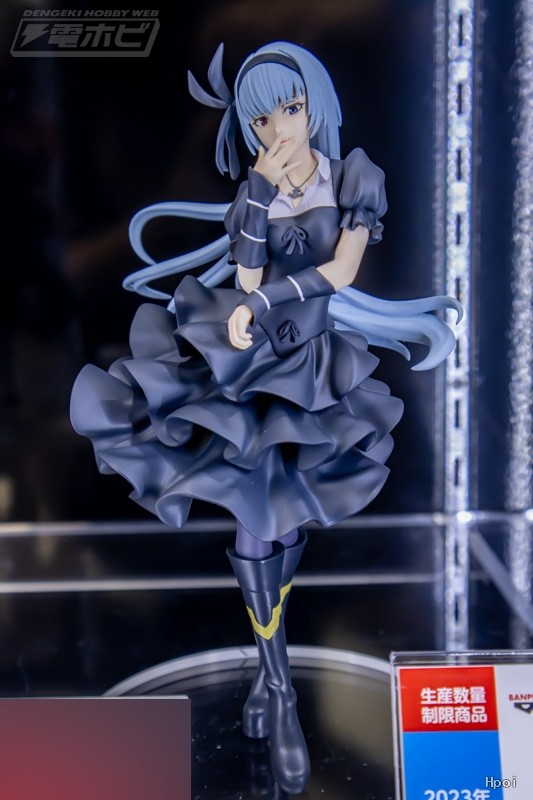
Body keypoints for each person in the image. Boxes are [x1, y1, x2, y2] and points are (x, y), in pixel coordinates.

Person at [71, 41, 461, 793]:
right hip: (250, 358)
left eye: (290, 107)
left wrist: (267, 300)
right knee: (256, 518)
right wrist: (255, 194)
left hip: (314, 362)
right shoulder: (254, 186)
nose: (279, 127)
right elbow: (247, 273)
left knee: (285, 518)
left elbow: (340, 271)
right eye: (260, 119)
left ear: (315, 104)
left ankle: (269, 675)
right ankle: (277, 686)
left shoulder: (352, 176)